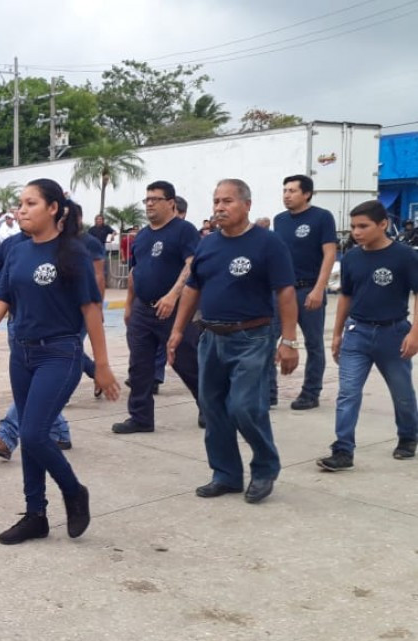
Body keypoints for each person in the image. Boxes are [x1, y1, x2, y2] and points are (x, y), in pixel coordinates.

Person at [0, 178, 120, 545]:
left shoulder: (73, 252)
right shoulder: (16, 250)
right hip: (22, 353)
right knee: (31, 438)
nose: (20, 210)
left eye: (30, 204)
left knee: (32, 433)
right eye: (20, 204)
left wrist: (102, 365)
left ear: (53, 208)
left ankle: (74, 491)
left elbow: (91, 310)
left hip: (60, 353)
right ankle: (35, 515)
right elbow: (1, 302)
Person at [168, 178, 299, 505]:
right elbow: (193, 288)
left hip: (252, 336)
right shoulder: (208, 244)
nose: (219, 207)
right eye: (216, 201)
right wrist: (178, 330)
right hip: (210, 336)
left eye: (227, 201)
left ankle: (265, 467)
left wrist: (289, 340)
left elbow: (285, 291)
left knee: (244, 407)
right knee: (212, 409)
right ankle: (226, 475)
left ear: (247, 205)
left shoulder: (268, 244)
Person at [317, 201, 418, 471]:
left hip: (394, 333)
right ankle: (342, 450)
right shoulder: (351, 258)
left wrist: (415, 333)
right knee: (348, 394)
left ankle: (408, 437)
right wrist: (337, 333)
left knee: (402, 393)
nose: (356, 232)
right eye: (353, 227)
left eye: (363, 226)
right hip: (357, 334)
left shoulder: (405, 256)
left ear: (383, 224)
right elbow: (346, 296)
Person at [113, 181, 202, 434]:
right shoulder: (142, 236)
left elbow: (192, 264)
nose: (150, 203)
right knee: (139, 366)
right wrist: (129, 305)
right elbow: (135, 271)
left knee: (187, 362)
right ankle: (140, 417)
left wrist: (173, 295)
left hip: (172, 310)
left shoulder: (184, 231)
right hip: (143, 310)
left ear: (171, 203)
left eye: (156, 199)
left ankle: (209, 407)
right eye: (147, 199)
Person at [271, 174, 338, 411]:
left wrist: (319, 289)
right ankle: (268, 392)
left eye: (292, 191)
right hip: (281, 290)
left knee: (314, 344)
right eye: (284, 191)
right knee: (268, 339)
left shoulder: (321, 217)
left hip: (309, 288)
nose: (287, 195)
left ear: (306, 193)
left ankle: (311, 393)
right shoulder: (279, 220)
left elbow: (330, 253)